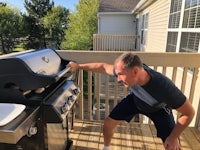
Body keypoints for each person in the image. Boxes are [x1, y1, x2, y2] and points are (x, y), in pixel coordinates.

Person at [68, 52, 195, 150]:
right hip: (136, 100)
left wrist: (173, 138)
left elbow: (189, 113)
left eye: (120, 75)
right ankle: (106, 148)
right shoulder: (128, 71)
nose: (118, 79)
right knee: (108, 123)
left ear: (135, 71)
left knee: (172, 145)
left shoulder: (163, 87)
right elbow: (102, 67)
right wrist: (78, 66)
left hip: (158, 109)